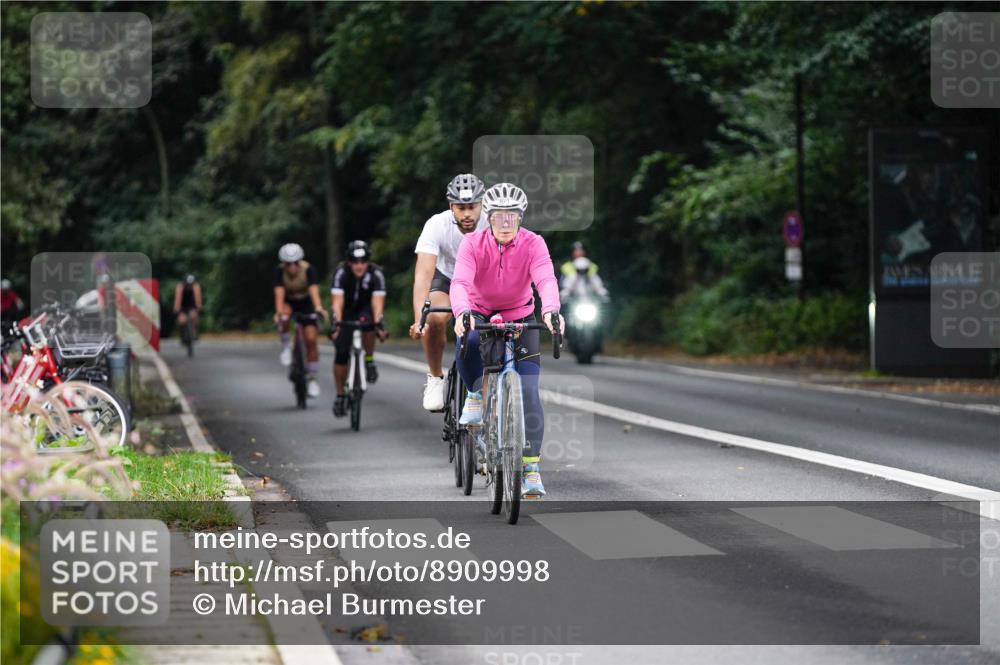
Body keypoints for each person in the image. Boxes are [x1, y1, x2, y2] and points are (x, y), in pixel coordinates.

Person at [450, 183, 564, 498]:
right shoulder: (472, 243)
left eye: (512, 216)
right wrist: (462, 312)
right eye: (499, 216)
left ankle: (530, 469)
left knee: (528, 391)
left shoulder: (534, 243)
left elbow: (546, 279)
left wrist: (551, 311)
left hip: (520, 315)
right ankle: (475, 393)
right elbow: (460, 282)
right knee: (469, 336)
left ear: (520, 217)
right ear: (488, 217)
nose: (505, 223)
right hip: (480, 312)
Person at [409, 173, 488, 411]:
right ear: (451, 206)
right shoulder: (436, 224)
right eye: (461, 208)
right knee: (434, 318)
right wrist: (419, 319)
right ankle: (435, 377)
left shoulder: (492, 222)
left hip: (481, 281)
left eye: (472, 207)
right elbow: (423, 275)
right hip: (448, 279)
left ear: (482, 205)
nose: (467, 214)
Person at [330, 240, 387, 418]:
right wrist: (337, 324)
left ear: (368, 261)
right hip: (346, 311)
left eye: (363, 261)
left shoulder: (376, 274)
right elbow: (337, 301)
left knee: (369, 325)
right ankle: (340, 395)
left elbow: (377, 303)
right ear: (349, 262)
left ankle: (369, 359)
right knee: (341, 354)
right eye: (355, 261)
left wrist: (378, 324)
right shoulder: (341, 273)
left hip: (365, 309)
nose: (359, 265)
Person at [274, 243, 327, 398]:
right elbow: (279, 292)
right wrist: (278, 313)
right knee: (284, 316)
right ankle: (286, 346)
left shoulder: (309, 269)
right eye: (288, 264)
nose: (292, 267)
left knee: (311, 339)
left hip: (306, 303)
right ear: (284, 264)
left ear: (300, 262)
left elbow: (313, 290)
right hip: (289, 302)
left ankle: (312, 378)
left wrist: (318, 308)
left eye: (295, 263)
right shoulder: (279, 271)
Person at [173, 274, 203, 339]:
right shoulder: (180, 287)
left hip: (192, 305)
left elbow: (198, 298)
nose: (189, 286)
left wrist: (199, 307)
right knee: (182, 320)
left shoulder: (196, 286)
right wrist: (176, 308)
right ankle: (182, 334)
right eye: (188, 284)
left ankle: (195, 331)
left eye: (191, 284)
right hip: (182, 306)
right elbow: (178, 299)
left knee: (194, 316)